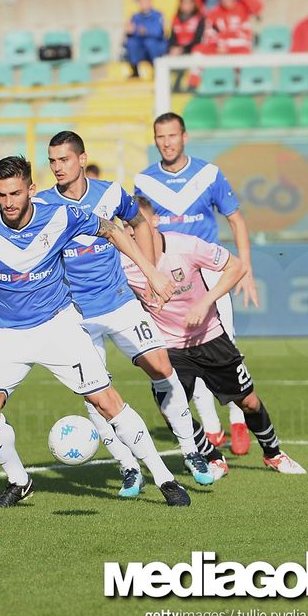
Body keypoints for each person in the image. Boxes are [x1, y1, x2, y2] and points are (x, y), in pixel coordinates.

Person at [0, 156, 191, 508]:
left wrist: (151, 273)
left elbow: (111, 228)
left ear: (31, 190)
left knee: (106, 401)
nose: (8, 202)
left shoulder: (61, 216)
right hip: (7, 335)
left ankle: (164, 478)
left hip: (58, 327)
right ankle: (19, 481)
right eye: (1, 194)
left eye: (15, 193)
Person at [35, 132, 213, 497]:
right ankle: (129, 467)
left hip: (119, 303)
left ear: (82, 159)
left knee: (162, 366)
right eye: (52, 161)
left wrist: (151, 272)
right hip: (76, 315)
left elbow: (142, 224)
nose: (57, 167)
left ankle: (191, 451)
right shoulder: (42, 205)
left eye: (63, 160)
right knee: (95, 393)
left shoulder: (111, 193)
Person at [123, 196, 305, 475]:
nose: (132, 230)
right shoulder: (124, 263)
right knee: (169, 407)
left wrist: (205, 302)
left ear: (155, 221)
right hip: (168, 346)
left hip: (209, 336)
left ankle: (274, 454)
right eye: (126, 225)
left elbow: (236, 267)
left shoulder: (185, 245)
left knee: (248, 401)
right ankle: (212, 457)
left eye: (137, 223)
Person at [134, 111, 258, 454]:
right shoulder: (143, 181)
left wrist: (246, 270)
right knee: (184, 352)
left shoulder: (208, 174)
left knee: (225, 347)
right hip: (168, 276)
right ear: (155, 140)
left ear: (184, 137)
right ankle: (212, 428)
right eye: (160, 136)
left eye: (172, 135)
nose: (167, 142)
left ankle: (237, 420)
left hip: (210, 269)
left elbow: (236, 219)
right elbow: (137, 229)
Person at [124, 0, 168, 79]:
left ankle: (157, 70)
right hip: (142, 45)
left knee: (150, 43)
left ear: (150, 1)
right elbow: (133, 31)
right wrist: (130, 31)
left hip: (156, 45)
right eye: (141, 0)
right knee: (132, 43)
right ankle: (135, 70)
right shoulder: (135, 16)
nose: (143, 3)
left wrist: (145, 31)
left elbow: (158, 32)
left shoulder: (157, 15)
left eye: (145, 0)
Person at [167, 0, 205, 93]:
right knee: (166, 56)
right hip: (178, 50)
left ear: (193, 4)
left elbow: (198, 39)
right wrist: (173, 48)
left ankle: (191, 85)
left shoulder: (200, 19)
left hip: (192, 49)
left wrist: (182, 49)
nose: (186, 4)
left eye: (189, 2)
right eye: (183, 2)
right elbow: (172, 38)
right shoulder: (176, 19)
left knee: (196, 56)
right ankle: (168, 86)